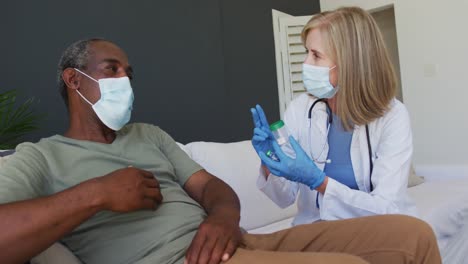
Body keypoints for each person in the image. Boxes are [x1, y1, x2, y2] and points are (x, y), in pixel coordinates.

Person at [0, 38, 441, 264]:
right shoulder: (40, 158)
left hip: (238, 240)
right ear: (75, 81)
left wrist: (223, 218)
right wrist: (97, 193)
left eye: (129, 72)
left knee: (411, 235)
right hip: (183, 260)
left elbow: (213, 188)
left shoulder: (149, 135)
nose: (126, 82)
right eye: (111, 70)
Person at [251, 6, 417, 225]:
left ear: (351, 63)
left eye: (316, 55)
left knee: (413, 238)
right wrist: (270, 161)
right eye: (306, 52)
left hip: (374, 229)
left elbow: (387, 208)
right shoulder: (300, 109)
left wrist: (319, 182)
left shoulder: (393, 116)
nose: (305, 63)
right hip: (315, 230)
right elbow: (284, 197)